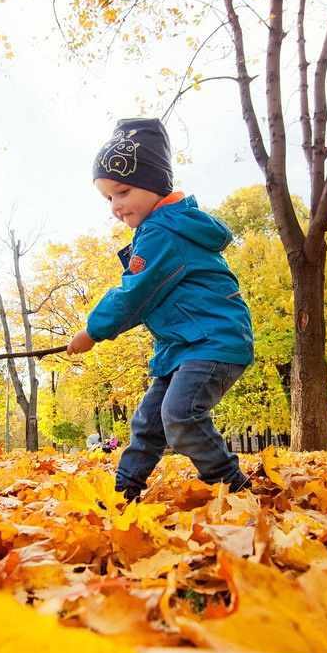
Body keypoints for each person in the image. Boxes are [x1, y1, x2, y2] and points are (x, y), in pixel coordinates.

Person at [67, 118, 254, 501]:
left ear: (155, 184)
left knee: (180, 415)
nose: (116, 207)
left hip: (212, 341)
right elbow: (149, 298)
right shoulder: (164, 228)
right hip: (183, 346)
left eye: (123, 191)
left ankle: (233, 487)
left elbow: (134, 293)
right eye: (108, 198)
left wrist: (93, 331)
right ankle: (125, 490)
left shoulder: (161, 230)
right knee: (148, 422)